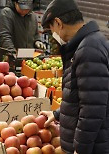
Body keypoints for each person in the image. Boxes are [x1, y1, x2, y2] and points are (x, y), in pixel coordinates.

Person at [40, 0, 109, 154]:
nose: (53, 35)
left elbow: (93, 108)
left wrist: (81, 148)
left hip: (94, 147)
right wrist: (58, 114)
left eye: (51, 29)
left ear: (58, 23)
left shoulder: (89, 49)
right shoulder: (87, 44)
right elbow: (81, 95)